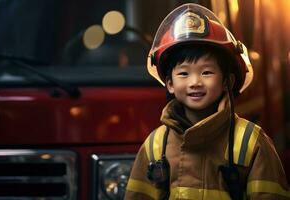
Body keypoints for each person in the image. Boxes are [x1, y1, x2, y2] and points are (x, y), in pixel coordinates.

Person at [124, 3, 290, 200]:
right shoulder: (155, 145)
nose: (195, 82)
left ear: (226, 81)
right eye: (184, 73)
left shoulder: (252, 142)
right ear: (169, 83)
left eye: (207, 72)